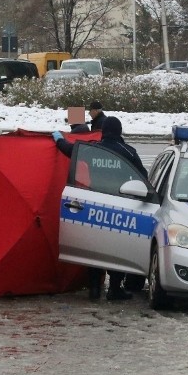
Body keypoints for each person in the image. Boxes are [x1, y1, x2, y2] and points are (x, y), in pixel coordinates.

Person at [52, 116, 147, 301]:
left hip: (93, 203)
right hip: (120, 206)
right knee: (117, 249)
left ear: (103, 132)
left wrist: (58, 140)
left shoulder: (93, 149)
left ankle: (94, 289)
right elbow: (143, 177)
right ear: (119, 132)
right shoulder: (128, 152)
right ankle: (114, 288)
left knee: (96, 249)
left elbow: (70, 150)